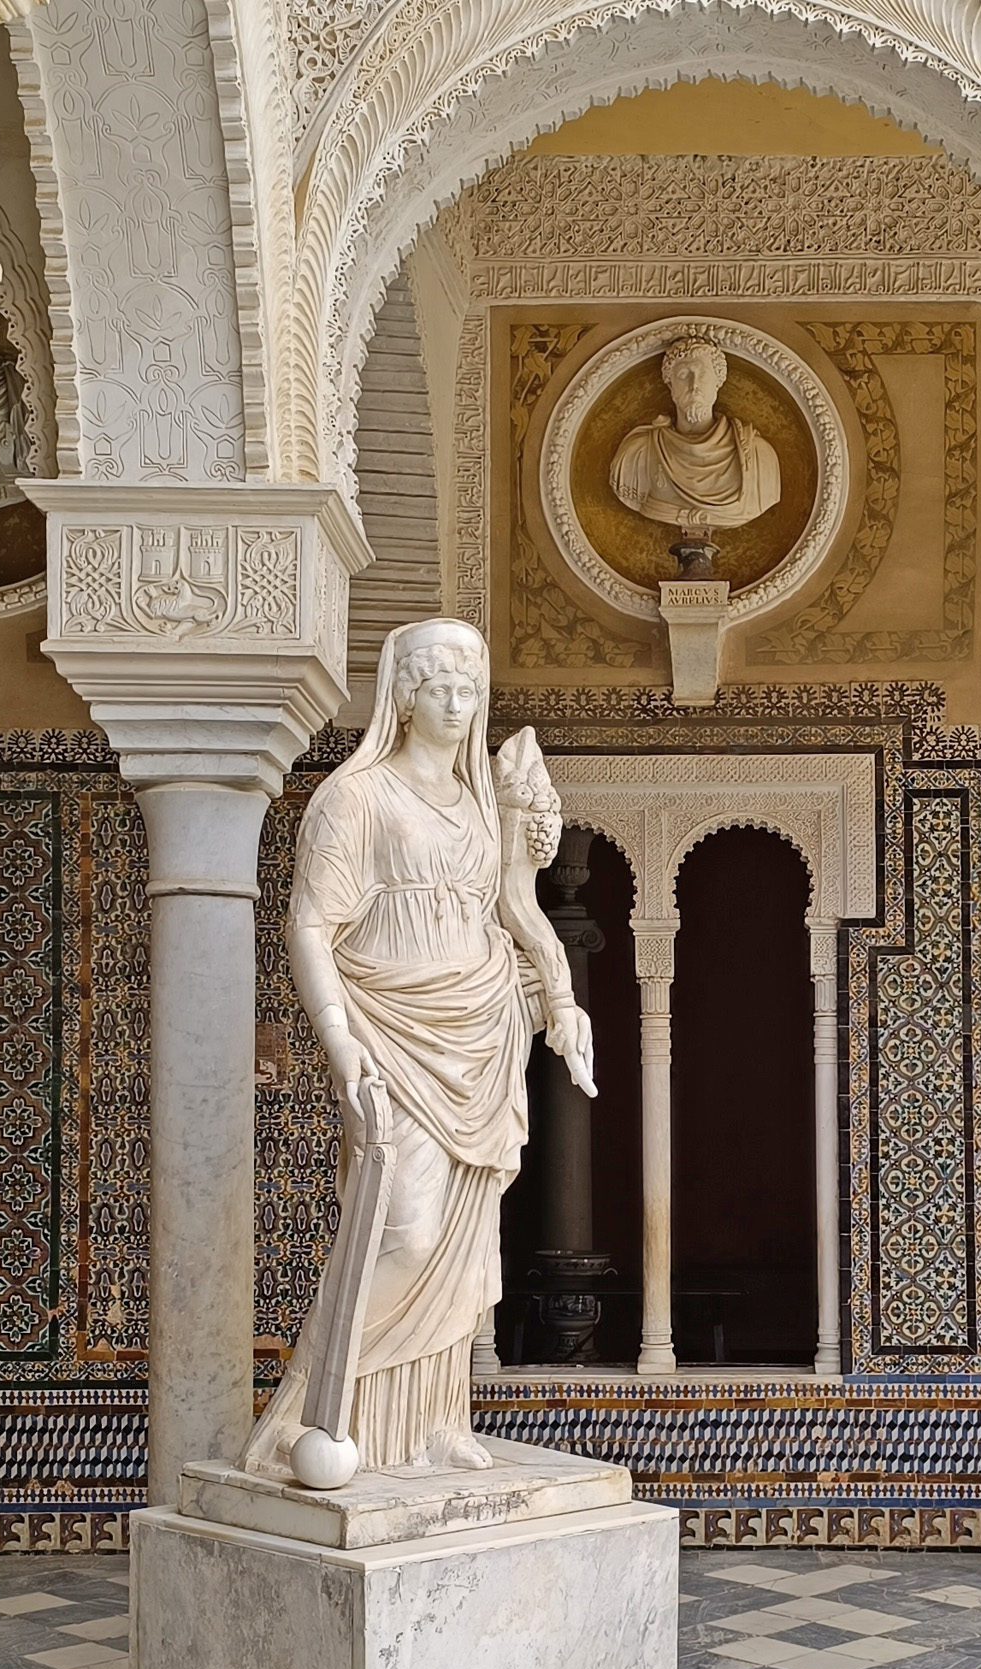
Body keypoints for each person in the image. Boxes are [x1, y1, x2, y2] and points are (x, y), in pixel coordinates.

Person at [244, 618, 592, 1477]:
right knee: (404, 1233)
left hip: (480, 1030)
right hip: (391, 1030)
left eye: (468, 687)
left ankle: (431, 1423)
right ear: (400, 696)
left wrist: (561, 996)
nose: (456, 701)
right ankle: (309, 1404)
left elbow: (516, 907)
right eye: (437, 684)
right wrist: (336, 1038)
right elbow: (313, 924)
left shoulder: (478, 803)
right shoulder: (354, 798)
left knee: (462, 1247)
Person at [609, 334, 781, 532]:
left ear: (718, 383)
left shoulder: (759, 456)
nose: (694, 385)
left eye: (703, 375)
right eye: (683, 375)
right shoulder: (638, 452)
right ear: (670, 385)